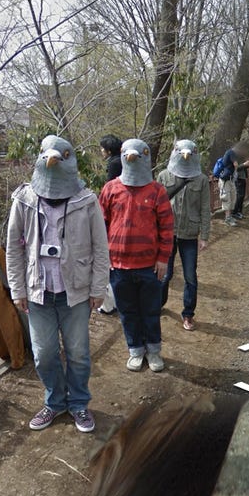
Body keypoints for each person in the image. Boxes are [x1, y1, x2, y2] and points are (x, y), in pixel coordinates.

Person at [6, 135, 111, 433]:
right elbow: (14, 247)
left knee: (78, 352)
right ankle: (54, 402)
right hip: (38, 291)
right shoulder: (24, 199)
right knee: (44, 353)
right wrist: (18, 290)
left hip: (75, 291)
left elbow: (100, 248)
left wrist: (98, 288)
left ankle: (78, 403)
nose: (52, 159)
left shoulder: (86, 200)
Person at [99, 138, 174, 372]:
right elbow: (101, 226)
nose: (131, 157)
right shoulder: (110, 188)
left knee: (151, 311)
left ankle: (153, 351)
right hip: (119, 266)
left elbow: (167, 228)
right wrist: (103, 261)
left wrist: (163, 259)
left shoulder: (157, 191)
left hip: (149, 266)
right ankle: (135, 350)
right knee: (128, 311)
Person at [157, 139, 211, 331]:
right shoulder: (164, 176)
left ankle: (188, 314)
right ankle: (158, 305)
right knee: (164, 274)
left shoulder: (202, 180)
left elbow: (206, 208)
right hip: (167, 234)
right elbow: (156, 208)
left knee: (190, 277)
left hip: (190, 234)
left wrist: (204, 236)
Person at [97, 134, 123, 314]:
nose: (100, 151)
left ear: (108, 149)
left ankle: (110, 305)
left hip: (114, 213)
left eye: (102, 148)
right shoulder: (121, 160)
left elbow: (109, 188)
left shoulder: (113, 164)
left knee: (109, 262)